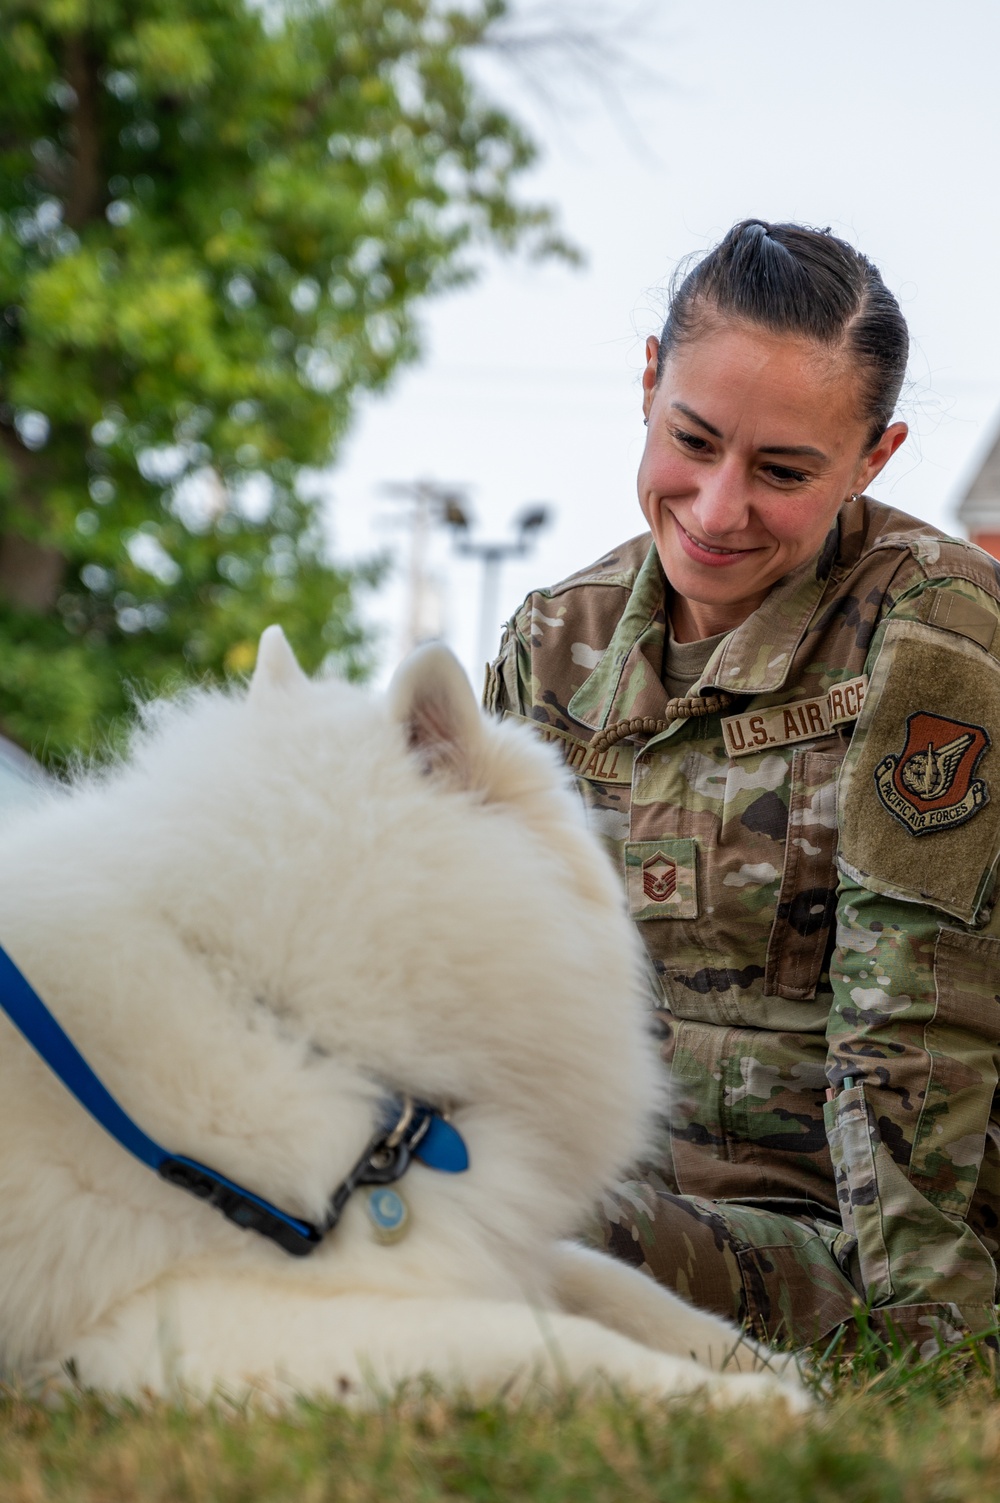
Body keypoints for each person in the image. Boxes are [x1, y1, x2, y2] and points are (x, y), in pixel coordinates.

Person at [485, 219, 1000, 1356]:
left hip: (838, 1239)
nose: (718, 509)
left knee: (520, 1230)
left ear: (871, 460)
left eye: (781, 471)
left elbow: (916, 1032)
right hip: (618, 1181)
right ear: (649, 384)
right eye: (694, 440)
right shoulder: (554, 640)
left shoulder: (933, 631)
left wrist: (927, 1346)